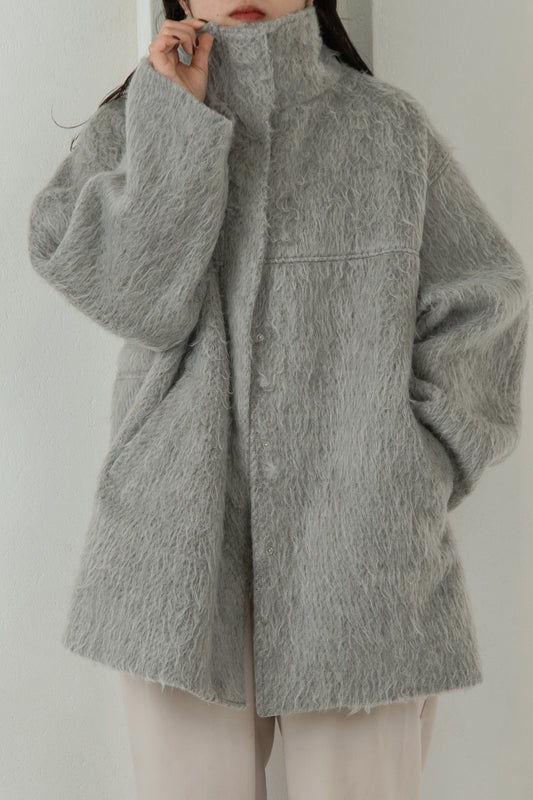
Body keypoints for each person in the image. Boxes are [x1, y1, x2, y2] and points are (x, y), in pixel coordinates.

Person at [27, 1, 529, 798]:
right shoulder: (133, 125)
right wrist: (177, 126)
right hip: (173, 553)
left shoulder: (386, 128)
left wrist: (412, 467)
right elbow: (136, 301)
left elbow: (484, 303)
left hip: (360, 552)